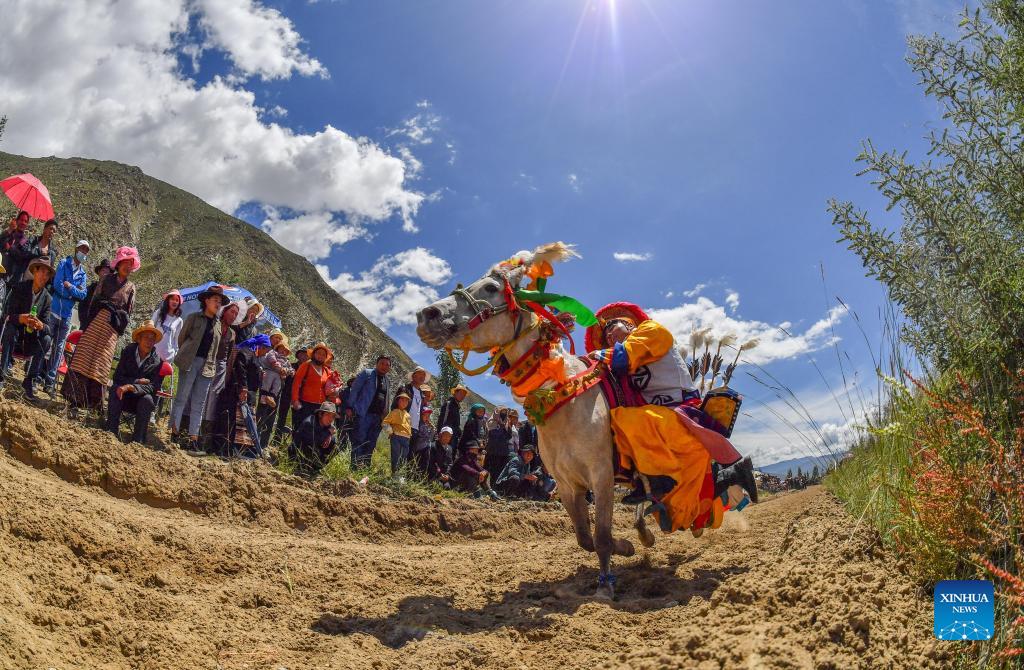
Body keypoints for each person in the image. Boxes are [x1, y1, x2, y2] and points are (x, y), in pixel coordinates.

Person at [584, 302, 756, 533]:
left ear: (628, 324)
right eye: (606, 336)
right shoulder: (624, 367)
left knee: (623, 418)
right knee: (675, 520)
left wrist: (594, 356)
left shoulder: (652, 331)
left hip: (681, 414)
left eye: (612, 328)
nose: (609, 336)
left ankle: (664, 481)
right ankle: (721, 477)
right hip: (659, 421)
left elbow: (622, 357)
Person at [62, 247, 139, 412]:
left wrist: (117, 323)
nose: (127, 267)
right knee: (84, 357)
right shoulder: (106, 279)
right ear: (118, 264)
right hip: (96, 322)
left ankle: (93, 404)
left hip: (112, 327)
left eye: (130, 264)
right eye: (124, 263)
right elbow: (93, 301)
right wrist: (89, 322)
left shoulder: (131, 287)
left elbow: (128, 313)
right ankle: (76, 399)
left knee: (101, 362)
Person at [170, 286, 227, 452]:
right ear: (206, 301)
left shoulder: (218, 325)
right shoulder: (194, 317)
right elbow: (182, 339)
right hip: (190, 361)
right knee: (181, 397)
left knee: (199, 403)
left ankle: (193, 439)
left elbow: (215, 348)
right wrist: (187, 354)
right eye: (215, 300)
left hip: (207, 366)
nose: (218, 304)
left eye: (220, 301)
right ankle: (174, 432)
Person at [105, 320, 167, 444]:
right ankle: (110, 433)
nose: (149, 341)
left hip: (139, 399)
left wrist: (132, 387)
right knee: (115, 389)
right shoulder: (128, 351)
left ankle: (138, 441)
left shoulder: (157, 361)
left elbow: (153, 387)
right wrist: (136, 381)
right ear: (138, 339)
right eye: (146, 337)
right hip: (123, 396)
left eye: (152, 339)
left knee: (148, 400)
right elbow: (118, 376)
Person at [0, 258, 54, 397]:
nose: (44, 276)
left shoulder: (47, 298)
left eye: (47, 274)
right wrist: (20, 318)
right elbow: (6, 316)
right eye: (42, 271)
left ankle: (30, 380)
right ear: (35, 272)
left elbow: (48, 328)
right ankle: (1, 374)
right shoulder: (20, 288)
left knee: (47, 339)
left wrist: (41, 325)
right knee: (10, 329)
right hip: (15, 338)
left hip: (30, 342)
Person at [42, 240, 89, 394]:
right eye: (82, 249)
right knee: (45, 341)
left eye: (86, 250)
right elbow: (57, 284)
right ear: (76, 249)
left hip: (67, 315)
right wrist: (71, 294)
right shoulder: (63, 263)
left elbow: (83, 295)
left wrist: (70, 287)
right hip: (54, 309)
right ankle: (37, 374)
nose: (84, 252)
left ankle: (49, 380)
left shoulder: (83, 274)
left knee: (59, 347)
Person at [215, 334, 273, 457]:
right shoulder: (246, 353)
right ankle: (228, 450)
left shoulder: (254, 356)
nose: (265, 353)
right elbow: (241, 370)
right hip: (239, 393)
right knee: (236, 423)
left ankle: (241, 451)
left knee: (244, 425)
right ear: (259, 346)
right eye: (264, 349)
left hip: (248, 394)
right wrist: (244, 388)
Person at [200, 299, 244, 440]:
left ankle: (206, 436)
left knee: (213, 399)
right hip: (207, 363)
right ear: (224, 311)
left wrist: (227, 375)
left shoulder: (232, 334)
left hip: (221, 369)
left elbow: (229, 356)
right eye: (232, 311)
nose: (233, 315)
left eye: (236, 314)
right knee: (201, 396)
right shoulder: (214, 324)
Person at [349, 353, 391, 469]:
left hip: (378, 418)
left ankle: (365, 468)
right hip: (363, 414)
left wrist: (385, 417)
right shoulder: (367, 373)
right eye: (382, 363)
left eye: (387, 365)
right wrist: (350, 407)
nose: (384, 366)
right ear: (377, 364)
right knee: (359, 440)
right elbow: (355, 390)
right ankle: (354, 468)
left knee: (371, 443)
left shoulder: (387, 381)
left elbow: (387, 399)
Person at [256, 338, 292, 450]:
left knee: (276, 385)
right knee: (262, 412)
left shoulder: (286, 361)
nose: (283, 352)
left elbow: (290, 370)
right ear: (278, 348)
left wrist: (286, 371)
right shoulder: (272, 353)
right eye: (282, 349)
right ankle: (255, 440)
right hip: (271, 373)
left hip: (278, 378)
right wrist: (280, 368)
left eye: (285, 351)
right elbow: (271, 360)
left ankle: (263, 443)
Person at [290, 342, 333, 431]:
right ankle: (296, 445)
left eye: (323, 355)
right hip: (305, 403)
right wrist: (295, 400)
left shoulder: (326, 370)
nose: (320, 356)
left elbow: (330, 385)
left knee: (314, 429)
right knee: (301, 427)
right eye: (318, 353)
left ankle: (309, 445)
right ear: (314, 354)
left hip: (320, 406)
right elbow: (296, 383)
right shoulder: (306, 365)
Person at [292, 401, 338, 476]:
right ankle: (300, 468)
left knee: (334, 444)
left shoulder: (327, 425)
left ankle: (315, 469)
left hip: (311, 455)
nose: (330, 418)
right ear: (320, 414)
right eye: (328, 415)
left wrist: (330, 436)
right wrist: (328, 433)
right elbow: (313, 442)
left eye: (333, 416)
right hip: (298, 456)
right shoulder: (309, 423)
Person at [275, 345, 308, 438]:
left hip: (299, 398)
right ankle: (277, 438)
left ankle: (294, 441)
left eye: (306, 355)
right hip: (286, 394)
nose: (304, 357)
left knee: (297, 419)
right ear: (298, 356)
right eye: (302, 354)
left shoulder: (308, 371)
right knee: (282, 417)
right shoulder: (291, 366)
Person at [394, 366, 430, 442]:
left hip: (415, 429)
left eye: (424, 375)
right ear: (414, 376)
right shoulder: (404, 389)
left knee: (410, 453)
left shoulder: (421, 394)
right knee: (399, 452)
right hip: (402, 427)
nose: (422, 377)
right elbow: (394, 406)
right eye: (420, 374)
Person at [382, 392, 412, 476]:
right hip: (396, 437)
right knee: (396, 455)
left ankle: (400, 475)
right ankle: (395, 474)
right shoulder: (394, 412)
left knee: (403, 457)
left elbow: (409, 426)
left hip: (406, 438)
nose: (404, 402)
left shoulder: (408, 415)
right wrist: (391, 432)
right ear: (398, 401)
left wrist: (409, 436)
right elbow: (384, 423)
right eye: (402, 400)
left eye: (406, 401)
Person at [78, 259, 111, 332]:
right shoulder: (91, 287)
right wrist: (83, 319)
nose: (105, 274)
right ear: (99, 272)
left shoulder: (110, 292)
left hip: (99, 326)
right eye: (103, 271)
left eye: (108, 272)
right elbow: (82, 303)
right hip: (85, 323)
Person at [485, 407, 516, 477]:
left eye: (505, 412)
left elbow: (509, 435)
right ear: (497, 412)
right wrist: (502, 428)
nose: (504, 414)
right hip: (493, 450)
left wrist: (504, 427)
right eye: (502, 412)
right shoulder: (492, 421)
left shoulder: (506, 423)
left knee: (500, 470)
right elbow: (494, 434)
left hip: (503, 451)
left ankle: (496, 486)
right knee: (491, 470)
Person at [410, 406, 436, 474]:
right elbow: (426, 437)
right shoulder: (419, 424)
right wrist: (431, 430)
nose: (427, 417)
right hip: (419, 449)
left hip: (425, 448)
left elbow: (430, 438)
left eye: (428, 416)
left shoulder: (426, 425)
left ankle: (421, 476)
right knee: (416, 464)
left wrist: (432, 429)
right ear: (421, 415)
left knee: (423, 464)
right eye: (425, 415)